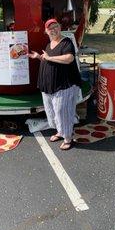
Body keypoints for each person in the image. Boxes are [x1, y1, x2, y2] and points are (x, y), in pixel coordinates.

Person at [28, 18, 81, 150]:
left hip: (64, 85)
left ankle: (68, 138)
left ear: (60, 27)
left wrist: (49, 58)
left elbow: (69, 58)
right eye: (50, 28)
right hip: (48, 86)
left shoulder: (66, 42)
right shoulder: (49, 43)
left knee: (63, 111)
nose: (53, 30)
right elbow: (48, 60)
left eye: (55, 27)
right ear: (46, 31)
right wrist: (39, 57)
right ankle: (60, 131)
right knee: (52, 111)